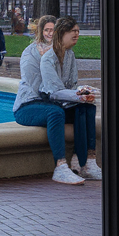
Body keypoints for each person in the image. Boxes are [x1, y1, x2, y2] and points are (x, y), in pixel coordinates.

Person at [12, 15, 86, 185]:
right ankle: (60, 166)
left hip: (55, 102)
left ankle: (83, 162)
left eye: (54, 29)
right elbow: (38, 86)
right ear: (41, 31)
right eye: (47, 29)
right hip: (29, 105)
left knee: (84, 108)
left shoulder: (66, 53)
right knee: (56, 113)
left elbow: (69, 85)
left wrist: (78, 95)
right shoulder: (30, 53)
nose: (51, 33)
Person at [40, 16, 101, 182]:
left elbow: (72, 85)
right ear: (61, 34)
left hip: (65, 103)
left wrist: (81, 92)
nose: (77, 35)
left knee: (88, 107)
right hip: (51, 104)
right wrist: (77, 96)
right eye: (73, 31)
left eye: (78, 31)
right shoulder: (48, 59)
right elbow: (53, 92)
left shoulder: (70, 56)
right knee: (82, 105)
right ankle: (78, 162)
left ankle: (88, 162)